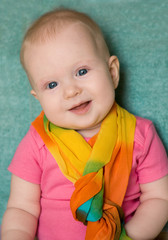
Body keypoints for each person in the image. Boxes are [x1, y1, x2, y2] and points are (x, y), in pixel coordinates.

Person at [1, 8, 168, 240]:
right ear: (38, 99)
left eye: (81, 71)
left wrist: (129, 236)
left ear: (112, 73)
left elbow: (160, 198)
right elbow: (22, 208)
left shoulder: (140, 135)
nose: (71, 91)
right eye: (51, 85)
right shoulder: (37, 143)